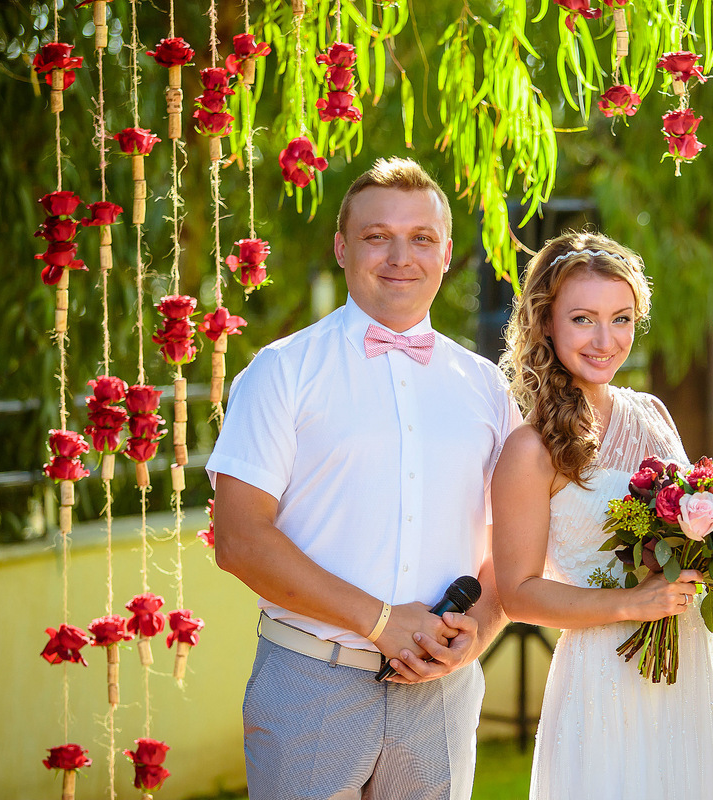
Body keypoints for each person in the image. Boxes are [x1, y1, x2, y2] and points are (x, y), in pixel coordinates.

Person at [207, 157, 518, 800]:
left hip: (443, 694)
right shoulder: (280, 372)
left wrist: (477, 633)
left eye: (422, 238)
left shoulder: (487, 388)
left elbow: (511, 545)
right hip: (309, 685)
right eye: (378, 236)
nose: (401, 256)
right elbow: (239, 540)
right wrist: (381, 622)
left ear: (446, 252)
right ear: (343, 249)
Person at [492, 231, 713, 799]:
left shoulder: (652, 412)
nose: (605, 339)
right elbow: (517, 592)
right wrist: (630, 603)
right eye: (583, 319)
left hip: (689, 662)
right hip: (604, 672)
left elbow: (698, 523)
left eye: (620, 318)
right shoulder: (531, 448)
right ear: (546, 324)